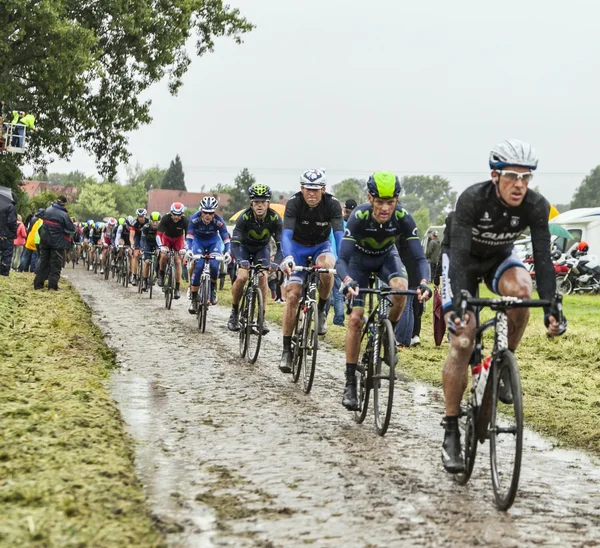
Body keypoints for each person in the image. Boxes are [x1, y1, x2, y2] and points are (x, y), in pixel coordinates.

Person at [440, 139, 567, 474]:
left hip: (499, 258)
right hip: (462, 260)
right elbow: (459, 261)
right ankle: (451, 428)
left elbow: (542, 258)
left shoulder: (536, 205)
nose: (520, 185)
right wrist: (462, 307)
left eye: (526, 178)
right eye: (512, 176)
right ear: (495, 175)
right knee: (463, 340)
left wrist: (553, 309)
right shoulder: (472, 199)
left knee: (523, 290)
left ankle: (503, 362)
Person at [336, 172, 431, 410]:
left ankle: (387, 335)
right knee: (356, 319)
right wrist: (347, 280)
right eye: (379, 202)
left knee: (400, 289)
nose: (385, 208)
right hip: (358, 263)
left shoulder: (403, 218)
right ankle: (350, 383)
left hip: (386, 259)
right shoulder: (358, 216)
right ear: (370, 198)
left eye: (390, 202)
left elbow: (420, 257)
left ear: (397, 200)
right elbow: (342, 259)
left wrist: (425, 282)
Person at [279, 169, 344, 373]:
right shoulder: (294, 203)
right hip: (297, 248)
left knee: (327, 269)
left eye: (316, 190)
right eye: (308, 189)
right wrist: (288, 257)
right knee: (293, 296)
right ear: (302, 189)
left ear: (324, 190)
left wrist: (343, 260)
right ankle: (286, 350)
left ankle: (323, 310)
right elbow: (286, 235)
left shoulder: (332, 205)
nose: (312, 194)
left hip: (321, 246)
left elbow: (339, 236)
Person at [227, 183, 282, 333]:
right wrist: (239, 260)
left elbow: (281, 246)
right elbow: (235, 244)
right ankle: (235, 312)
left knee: (263, 277)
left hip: (262, 249)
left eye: (263, 202)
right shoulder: (244, 217)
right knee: (242, 277)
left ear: (268, 203)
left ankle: (261, 318)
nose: (259, 205)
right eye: (256, 202)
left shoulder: (275, 218)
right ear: (251, 203)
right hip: (244, 248)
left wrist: (276, 263)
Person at [185, 196, 231, 311]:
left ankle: (213, 289)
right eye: (205, 212)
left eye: (211, 213)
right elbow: (189, 237)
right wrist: (189, 250)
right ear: (201, 211)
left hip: (213, 242)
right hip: (198, 242)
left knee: (214, 265)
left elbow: (225, 237)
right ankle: (194, 299)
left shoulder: (219, 221)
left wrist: (228, 252)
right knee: (199, 265)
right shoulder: (194, 219)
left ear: (214, 213)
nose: (208, 216)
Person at [33, 196, 75, 290]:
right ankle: (52, 286)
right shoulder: (64, 215)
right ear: (64, 204)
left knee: (44, 262)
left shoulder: (47, 210)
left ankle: (38, 285)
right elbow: (71, 229)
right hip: (57, 243)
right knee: (55, 264)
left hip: (44, 241)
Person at [156, 202, 189, 299]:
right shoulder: (165, 218)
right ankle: (161, 275)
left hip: (178, 239)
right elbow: (158, 235)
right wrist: (160, 246)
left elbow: (189, 237)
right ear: (171, 213)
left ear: (182, 214)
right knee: (164, 255)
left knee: (178, 261)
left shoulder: (185, 221)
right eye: (174, 214)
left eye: (179, 215)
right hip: (166, 239)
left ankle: (177, 288)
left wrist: (185, 248)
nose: (176, 217)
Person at [140, 212, 161, 291]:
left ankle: (158, 273)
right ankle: (144, 281)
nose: (155, 224)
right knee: (147, 262)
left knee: (159, 259)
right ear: (150, 221)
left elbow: (162, 240)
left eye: (157, 222)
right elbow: (142, 240)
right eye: (153, 222)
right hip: (147, 244)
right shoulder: (146, 227)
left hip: (157, 244)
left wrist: (159, 248)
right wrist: (142, 248)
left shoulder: (162, 228)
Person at [0, 190, 17, 276]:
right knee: (7, 254)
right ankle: (4, 272)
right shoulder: (10, 207)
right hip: (7, 235)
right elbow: (12, 222)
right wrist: (14, 232)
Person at [129, 208, 148, 285]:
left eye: (142, 216)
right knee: (136, 255)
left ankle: (146, 277)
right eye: (139, 216)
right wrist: (132, 244)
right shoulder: (134, 223)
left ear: (145, 215)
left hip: (146, 238)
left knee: (147, 257)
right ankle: (134, 275)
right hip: (137, 238)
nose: (141, 218)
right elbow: (131, 236)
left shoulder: (148, 222)